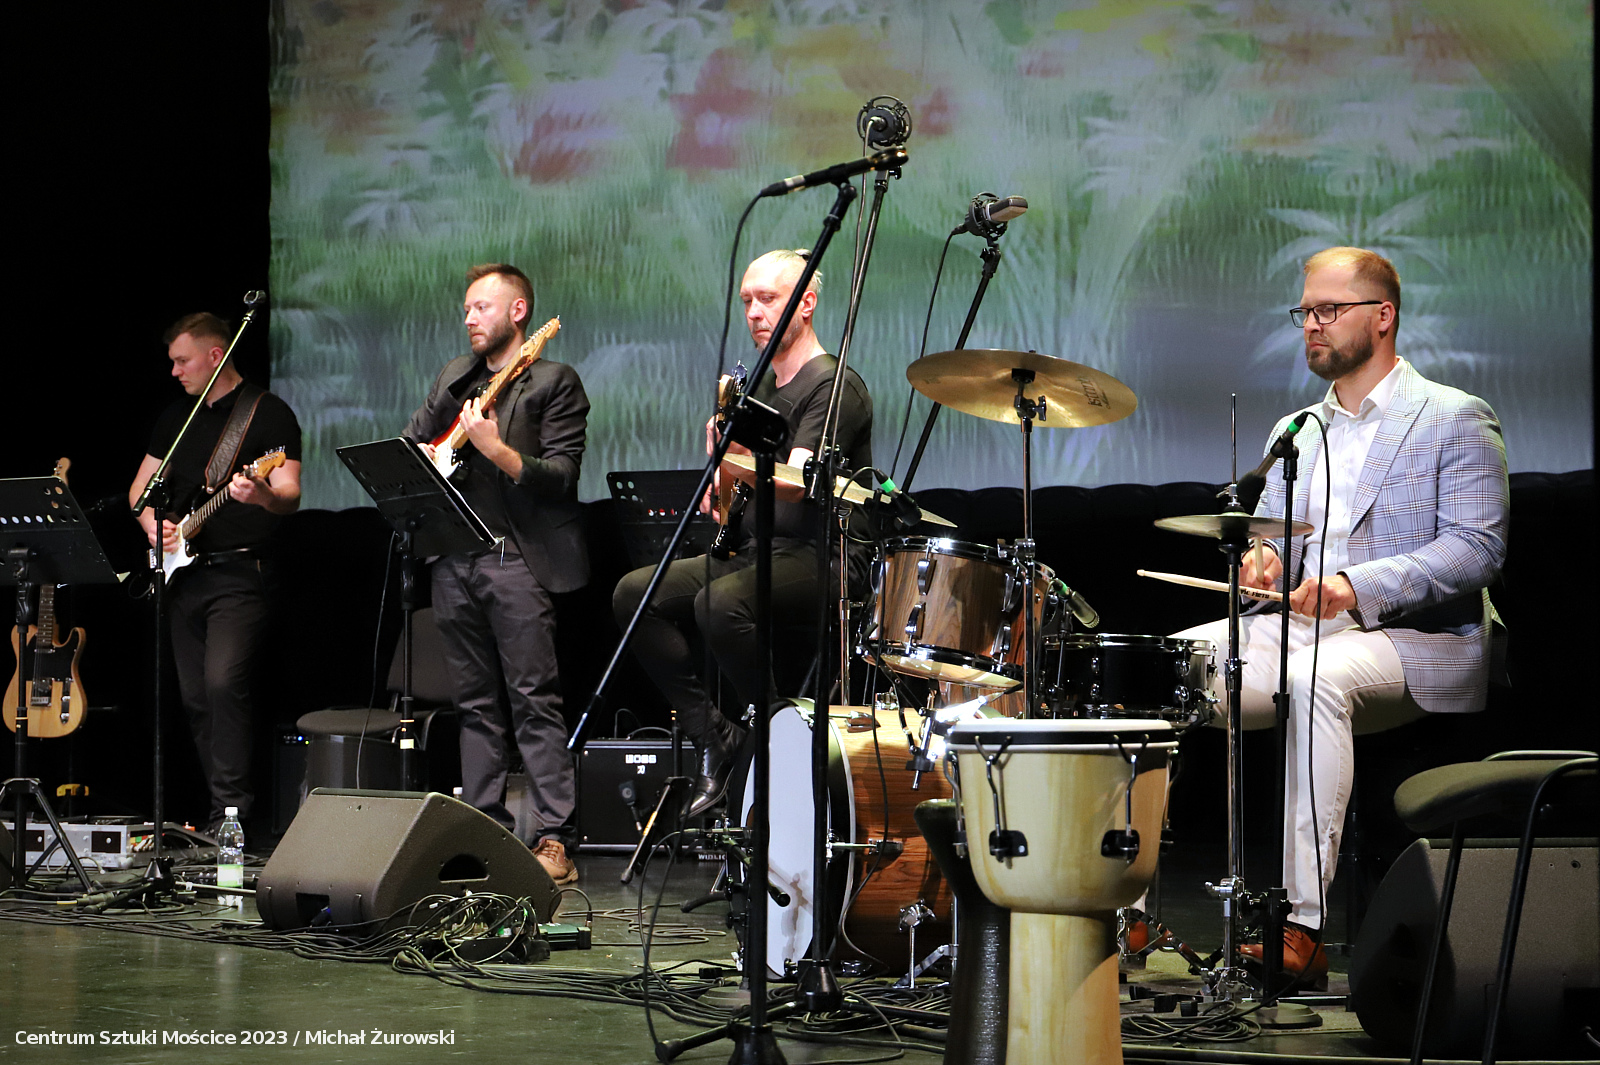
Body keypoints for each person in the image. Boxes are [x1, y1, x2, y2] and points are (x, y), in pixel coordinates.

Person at [1176, 246, 1509, 985]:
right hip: (1305, 627)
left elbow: (1476, 549)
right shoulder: (1295, 430)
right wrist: (1263, 563)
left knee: (1315, 677)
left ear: (1383, 316)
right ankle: (1120, 913)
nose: (1312, 325)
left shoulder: (1456, 416)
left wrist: (1356, 585)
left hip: (1418, 637)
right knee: (1163, 665)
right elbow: (1273, 545)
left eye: (1329, 310)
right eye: (1305, 312)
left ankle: (1301, 925)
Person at [612, 249, 874, 817]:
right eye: (748, 301)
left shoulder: (833, 386)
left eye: (769, 299)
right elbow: (739, 498)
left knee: (719, 602)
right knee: (636, 593)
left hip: (824, 556)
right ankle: (718, 737)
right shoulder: (761, 390)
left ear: (806, 303)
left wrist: (735, 457)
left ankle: (774, 738)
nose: (755, 312)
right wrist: (723, 483)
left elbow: (798, 483)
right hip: (762, 551)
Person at [404, 263, 589, 887]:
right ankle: (481, 835)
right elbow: (413, 443)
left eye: (481, 307)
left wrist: (495, 449)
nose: (469, 317)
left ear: (517, 311)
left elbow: (562, 476)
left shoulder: (553, 381)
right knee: (474, 706)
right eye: (466, 308)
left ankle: (554, 838)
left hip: (517, 559)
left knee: (534, 700)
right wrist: (425, 452)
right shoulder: (456, 377)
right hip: (453, 559)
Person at [129, 312, 303, 838]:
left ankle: (232, 816)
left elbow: (290, 494)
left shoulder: (267, 414)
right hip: (184, 577)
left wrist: (261, 493)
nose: (175, 372)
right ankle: (219, 813)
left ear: (214, 355)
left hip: (240, 574)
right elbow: (139, 492)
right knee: (195, 698)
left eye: (182, 361)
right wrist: (155, 527)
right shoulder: (176, 418)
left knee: (224, 683)